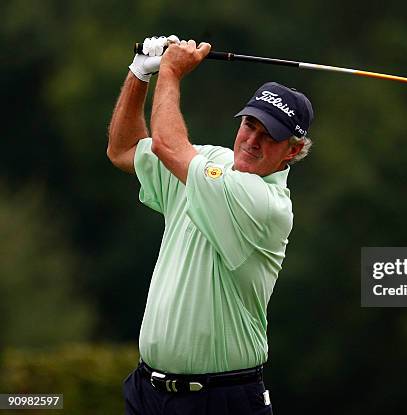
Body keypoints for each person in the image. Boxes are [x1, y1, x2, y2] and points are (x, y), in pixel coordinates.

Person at [107, 35, 314, 415]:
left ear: (294, 150)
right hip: (148, 393)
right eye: (250, 125)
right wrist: (140, 72)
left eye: (270, 136)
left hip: (219, 400)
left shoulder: (266, 204)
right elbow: (123, 149)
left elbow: (169, 147)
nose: (252, 140)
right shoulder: (207, 162)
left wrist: (170, 71)